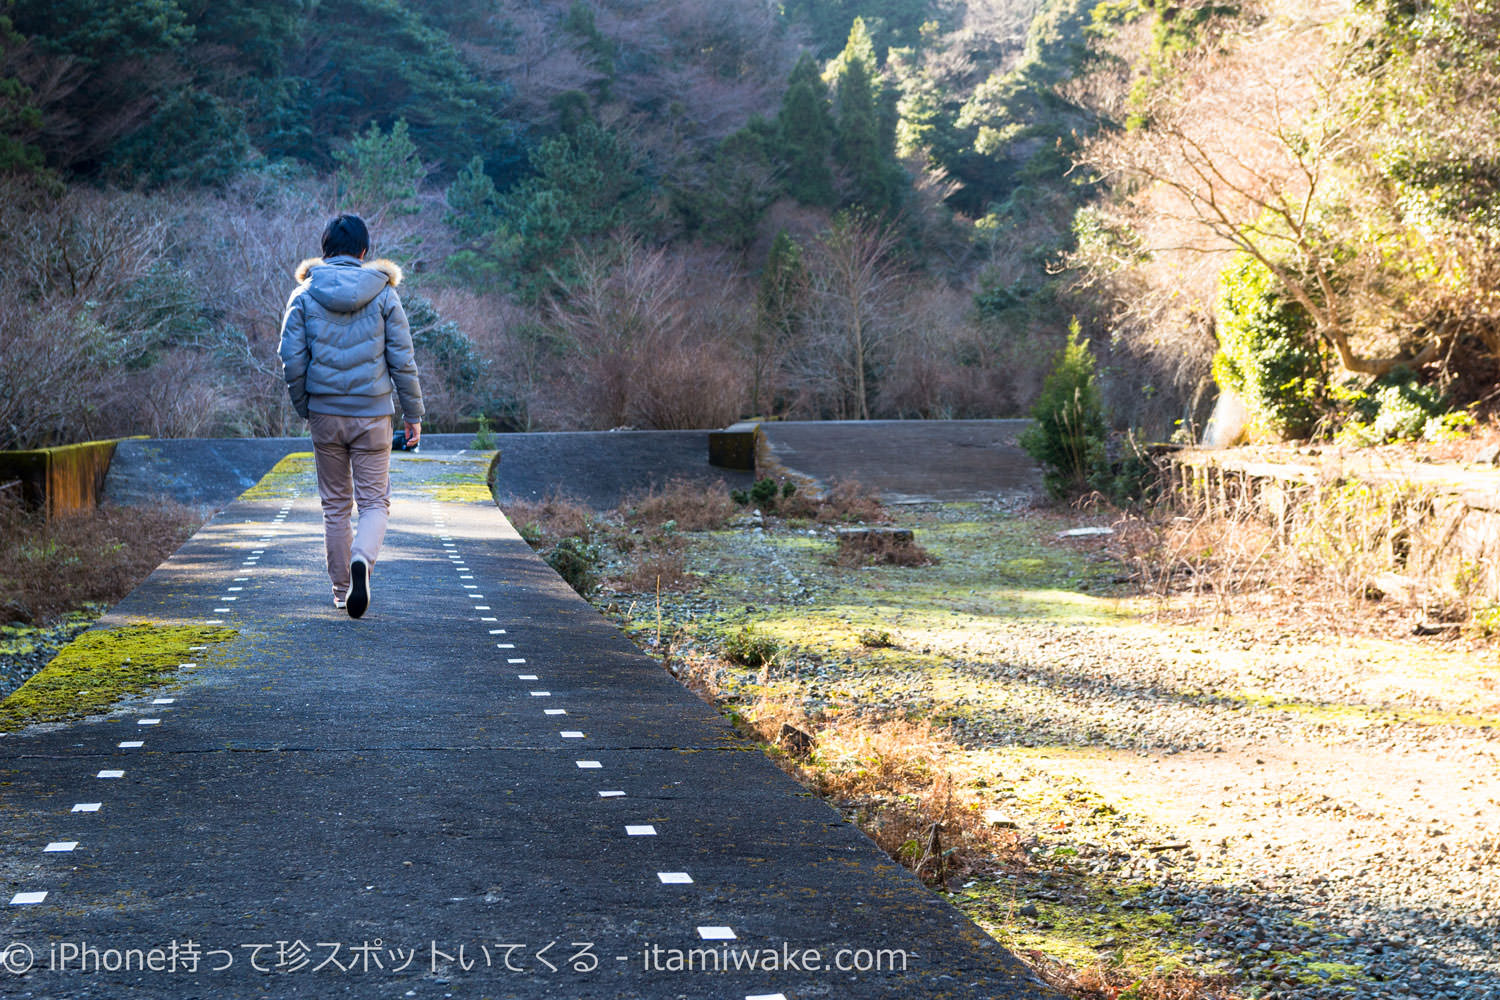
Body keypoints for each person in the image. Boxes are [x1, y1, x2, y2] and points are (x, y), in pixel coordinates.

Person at [278, 214, 424, 619]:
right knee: (375, 501)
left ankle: (342, 590)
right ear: (363, 252)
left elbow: (290, 359)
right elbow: (403, 361)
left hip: (325, 412)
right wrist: (413, 414)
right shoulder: (384, 294)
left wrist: (305, 406)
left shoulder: (304, 295)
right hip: (374, 414)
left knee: (336, 505)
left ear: (324, 251)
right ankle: (363, 558)